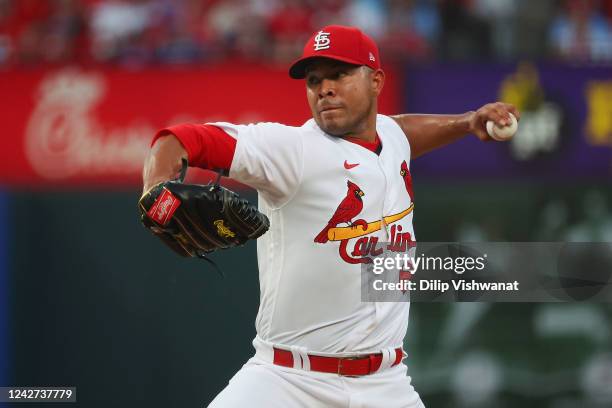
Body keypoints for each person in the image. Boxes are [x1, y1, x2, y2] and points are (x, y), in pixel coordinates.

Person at [141, 25, 520, 408]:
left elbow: (403, 133)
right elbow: (178, 140)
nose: (324, 88)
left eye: (339, 74)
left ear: (376, 81)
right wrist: (155, 193)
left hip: (386, 384)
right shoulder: (292, 151)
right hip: (286, 382)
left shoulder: (390, 138)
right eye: (314, 80)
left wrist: (468, 121)